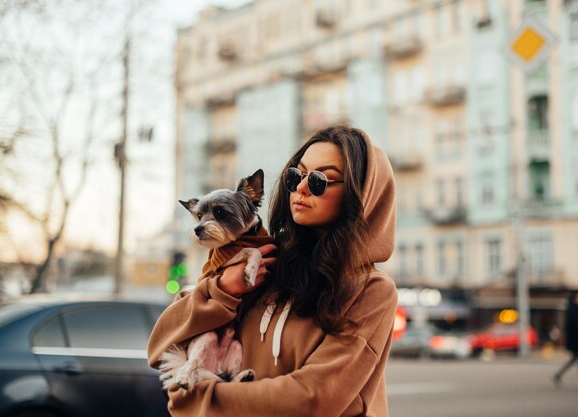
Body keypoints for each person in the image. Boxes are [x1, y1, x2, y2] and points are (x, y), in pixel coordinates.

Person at [147, 125, 398, 417]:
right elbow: (160, 347)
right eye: (295, 176)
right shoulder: (262, 264)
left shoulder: (371, 292)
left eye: (320, 180)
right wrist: (222, 291)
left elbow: (313, 399)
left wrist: (203, 402)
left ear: (361, 197)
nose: (301, 188)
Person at [553, 291, 578, 389]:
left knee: (576, 359)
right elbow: (574, 326)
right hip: (575, 340)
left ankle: (558, 375)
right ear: (576, 298)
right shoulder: (573, 311)